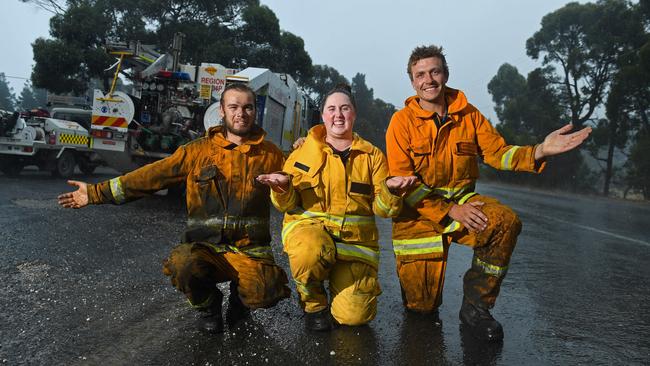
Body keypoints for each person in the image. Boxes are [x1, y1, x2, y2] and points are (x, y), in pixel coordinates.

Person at [386, 45, 592, 341]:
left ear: (445, 74)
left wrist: (540, 150)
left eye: (434, 71)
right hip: (418, 216)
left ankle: (476, 308)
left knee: (504, 222)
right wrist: (449, 210)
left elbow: (499, 154)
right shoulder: (401, 122)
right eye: (420, 74)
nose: (428, 79)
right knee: (421, 309)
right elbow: (405, 184)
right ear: (412, 82)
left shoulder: (470, 116)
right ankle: (419, 299)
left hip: (464, 205)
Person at [58, 83, 290, 334]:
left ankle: (240, 304)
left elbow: (300, 178)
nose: (241, 113)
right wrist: (94, 193)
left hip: (249, 251)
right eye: (233, 106)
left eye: (248, 107)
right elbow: (149, 177)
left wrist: (304, 147)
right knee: (182, 265)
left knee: (266, 288)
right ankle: (209, 306)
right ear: (221, 111)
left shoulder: (272, 156)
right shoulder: (197, 152)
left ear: (255, 111)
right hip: (206, 248)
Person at [257, 85, 416, 331]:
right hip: (311, 237)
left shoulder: (372, 156)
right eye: (331, 109)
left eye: (345, 108)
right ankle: (313, 302)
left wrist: (391, 191)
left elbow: (384, 210)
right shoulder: (303, 151)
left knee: (355, 317)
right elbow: (287, 205)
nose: (338, 114)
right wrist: (281, 188)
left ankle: (338, 288)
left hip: (353, 247)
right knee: (310, 251)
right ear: (323, 115)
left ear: (354, 114)